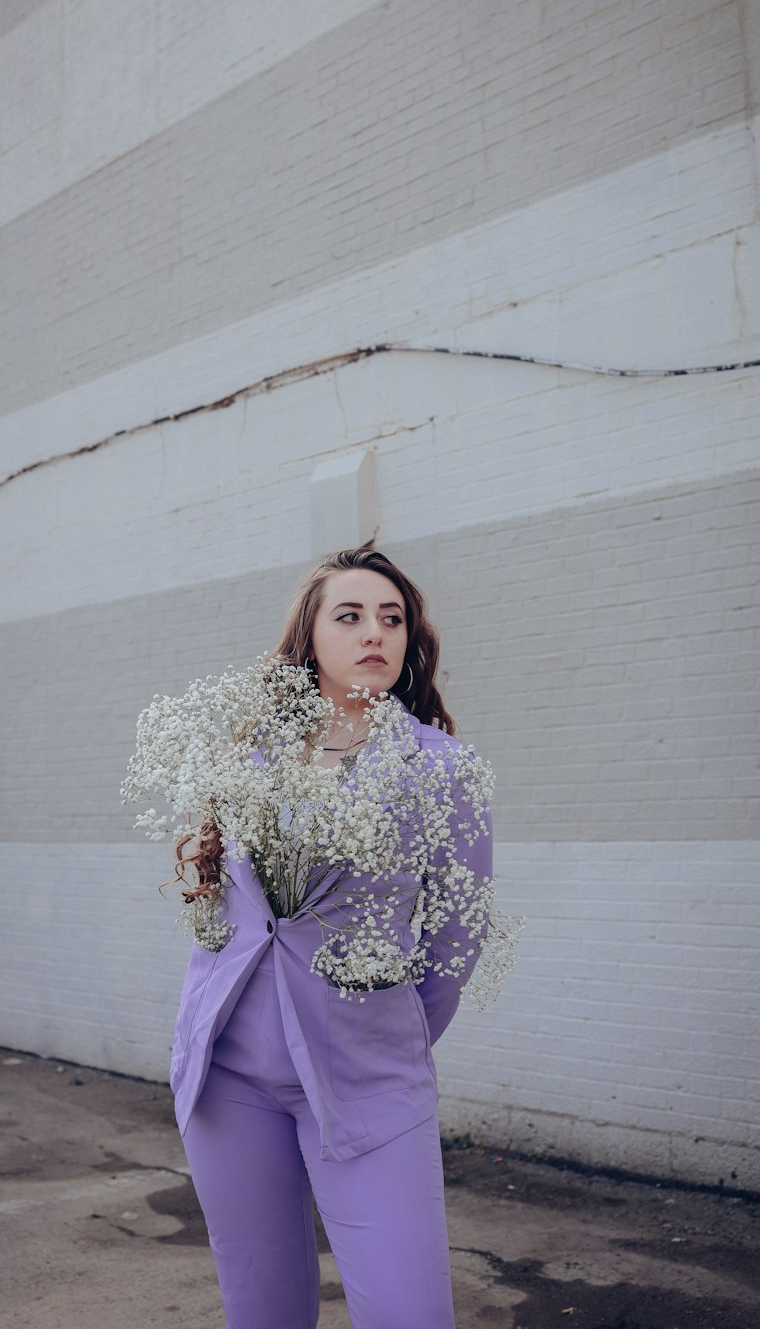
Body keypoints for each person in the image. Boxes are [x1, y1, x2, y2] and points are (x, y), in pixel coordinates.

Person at [169, 547, 493, 1329]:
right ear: (309, 637)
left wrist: (386, 1032)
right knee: (263, 1310)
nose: (374, 632)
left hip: (366, 1081)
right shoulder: (248, 760)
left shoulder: (443, 770)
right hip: (228, 1080)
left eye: (392, 619)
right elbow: (226, 913)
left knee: (408, 1313)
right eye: (349, 616)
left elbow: (456, 939)